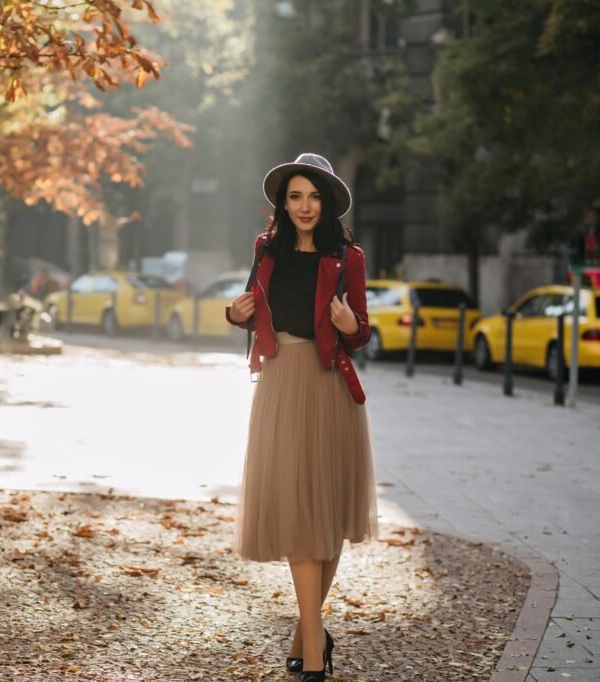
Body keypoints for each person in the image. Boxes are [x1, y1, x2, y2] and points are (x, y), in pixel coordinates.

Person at [226, 153, 378, 681]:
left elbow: (362, 335)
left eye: (313, 196)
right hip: (280, 382)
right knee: (297, 511)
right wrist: (234, 314)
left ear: (328, 202)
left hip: (329, 386)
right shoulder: (265, 251)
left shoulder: (348, 258)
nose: (304, 206)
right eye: (295, 196)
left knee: (327, 517)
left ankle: (304, 633)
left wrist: (349, 322)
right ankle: (315, 649)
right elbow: (248, 306)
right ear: (282, 203)